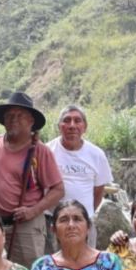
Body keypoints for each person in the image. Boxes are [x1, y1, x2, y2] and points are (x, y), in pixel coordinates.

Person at [0, 92, 64, 269]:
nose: (14, 119)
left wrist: (32, 211)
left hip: (25, 225)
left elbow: (58, 189)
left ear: (31, 122)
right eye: (10, 116)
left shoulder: (40, 151)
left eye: (20, 115)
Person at [46, 105, 113, 249]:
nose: (72, 126)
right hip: (51, 222)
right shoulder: (47, 151)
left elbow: (98, 191)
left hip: (84, 223)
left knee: (86, 266)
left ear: (85, 127)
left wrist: (85, 214)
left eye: (77, 121)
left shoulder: (96, 154)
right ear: (59, 126)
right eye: (67, 121)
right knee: (53, 266)